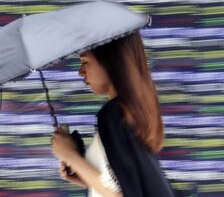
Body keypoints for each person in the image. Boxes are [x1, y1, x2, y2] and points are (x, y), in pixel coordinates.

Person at [51, 31, 176, 197]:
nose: (81, 72)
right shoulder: (131, 110)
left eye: (85, 62)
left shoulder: (113, 114)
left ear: (110, 61)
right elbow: (124, 185)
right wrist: (85, 176)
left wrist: (70, 155)